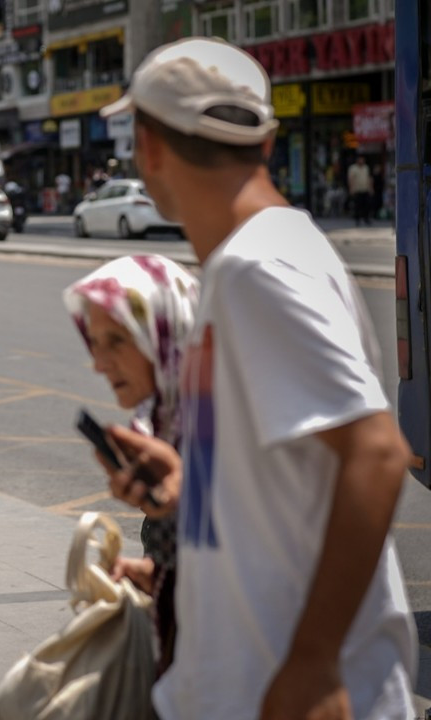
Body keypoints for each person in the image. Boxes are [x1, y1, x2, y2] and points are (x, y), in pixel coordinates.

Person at [96, 37, 416, 719]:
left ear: (149, 148)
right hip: (232, 684)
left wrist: (314, 663)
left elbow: (377, 454)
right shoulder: (248, 263)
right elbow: (291, 475)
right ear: (266, 144)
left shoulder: (258, 269)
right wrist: (188, 483)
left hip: (284, 690)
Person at [63, 254, 199, 675]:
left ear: (164, 332)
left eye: (118, 340)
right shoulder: (165, 423)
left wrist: (185, 494)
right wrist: (150, 575)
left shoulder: (229, 425)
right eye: (95, 342)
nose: (101, 364)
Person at [348, 155, 373, 227]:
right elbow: (350, 179)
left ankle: (366, 219)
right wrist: (351, 189)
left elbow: (369, 178)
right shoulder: (353, 168)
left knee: (366, 205)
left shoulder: (366, 168)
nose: (361, 161)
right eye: (360, 159)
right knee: (357, 206)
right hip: (357, 190)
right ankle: (357, 219)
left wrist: (371, 188)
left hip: (365, 189)